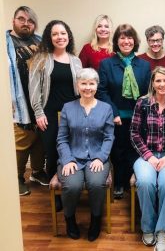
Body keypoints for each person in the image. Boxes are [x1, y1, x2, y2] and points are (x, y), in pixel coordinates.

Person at [130, 66, 165, 251]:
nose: (162, 84)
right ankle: (148, 227)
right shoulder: (142, 103)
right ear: (152, 83)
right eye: (158, 81)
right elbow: (134, 134)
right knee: (145, 182)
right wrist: (149, 157)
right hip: (146, 156)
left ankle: (163, 232)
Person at [29, 20, 82, 209]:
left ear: (68, 36)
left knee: (72, 151)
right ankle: (56, 195)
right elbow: (33, 89)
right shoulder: (41, 59)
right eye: (55, 34)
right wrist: (38, 112)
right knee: (52, 154)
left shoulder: (76, 60)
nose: (60, 37)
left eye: (63, 33)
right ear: (49, 38)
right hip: (49, 114)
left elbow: (81, 89)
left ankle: (70, 188)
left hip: (73, 112)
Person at [56, 68, 114, 241]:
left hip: (97, 158)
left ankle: (96, 220)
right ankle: (70, 219)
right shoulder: (67, 108)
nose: (87, 87)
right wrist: (67, 160)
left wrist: (101, 157)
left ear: (96, 86)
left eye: (91, 83)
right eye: (83, 83)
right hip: (72, 158)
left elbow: (109, 137)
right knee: (72, 185)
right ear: (77, 85)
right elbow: (62, 138)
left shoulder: (106, 108)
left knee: (96, 184)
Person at [97, 24, 151, 199]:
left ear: (134, 41)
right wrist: (114, 112)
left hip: (139, 117)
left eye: (129, 38)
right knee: (118, 150)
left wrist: (142, 114)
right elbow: (102, 90)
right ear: (116, 41)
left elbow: (149, 92)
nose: (126, 41)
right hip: (116, 116)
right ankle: (119, 183)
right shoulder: (106, 64)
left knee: (135, 150)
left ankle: (132, 181)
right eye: (122, 37)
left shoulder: (144, 65)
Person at [6, 6, 48, 196]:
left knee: (39, 138)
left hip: (39, 99)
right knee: (21, 142)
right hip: (18, 101)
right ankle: (16, 178)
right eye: (21, 19)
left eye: (30, 21)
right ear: (13, 21)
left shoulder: (40, 41)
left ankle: (37, 172)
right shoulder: (5, 42)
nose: (26, 23)